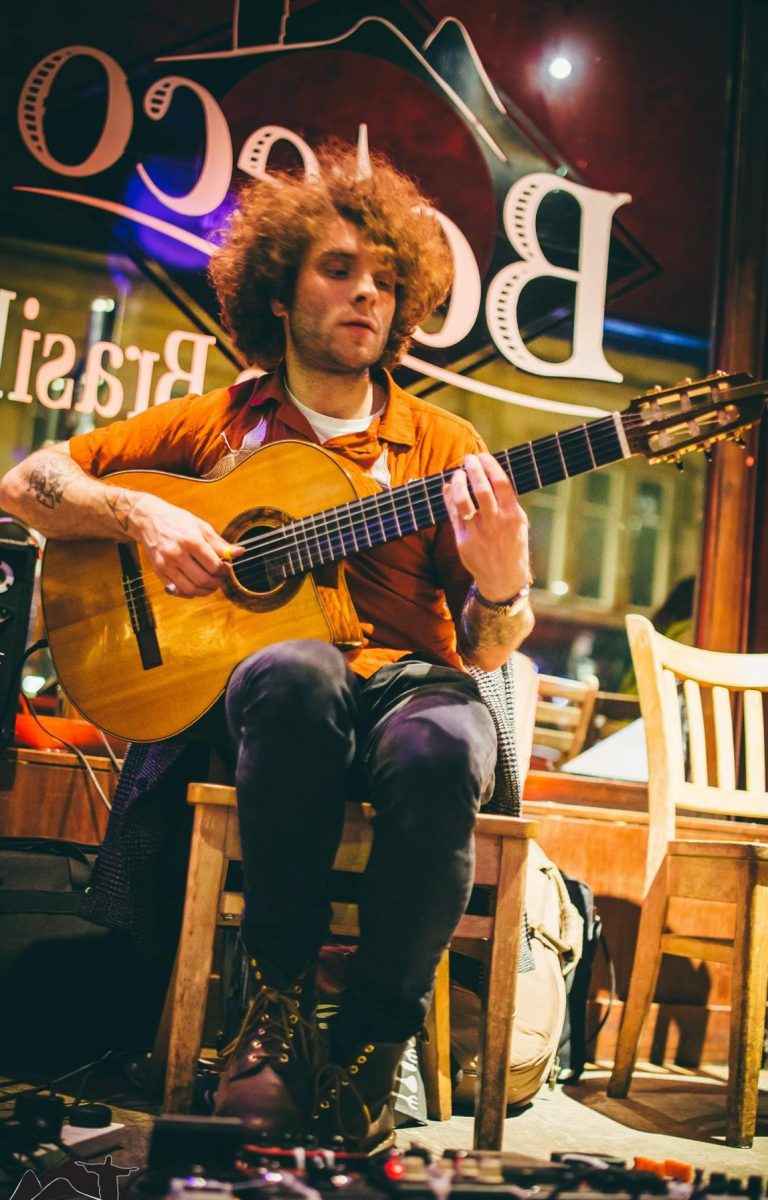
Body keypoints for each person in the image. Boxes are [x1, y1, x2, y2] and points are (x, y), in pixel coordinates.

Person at [0, 142, 533, 1151]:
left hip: (411, 688)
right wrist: (142, 517)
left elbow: (488, 645)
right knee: (293, 672)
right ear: (279, 294)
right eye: (339, 269)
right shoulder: (218, 425)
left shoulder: (443, 447)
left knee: (447, 745)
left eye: (385, 281)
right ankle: (275, 1017)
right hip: (279, 703)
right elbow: (30, 482)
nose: (366, 293)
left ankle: (372, 1044)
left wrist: (503, 583)